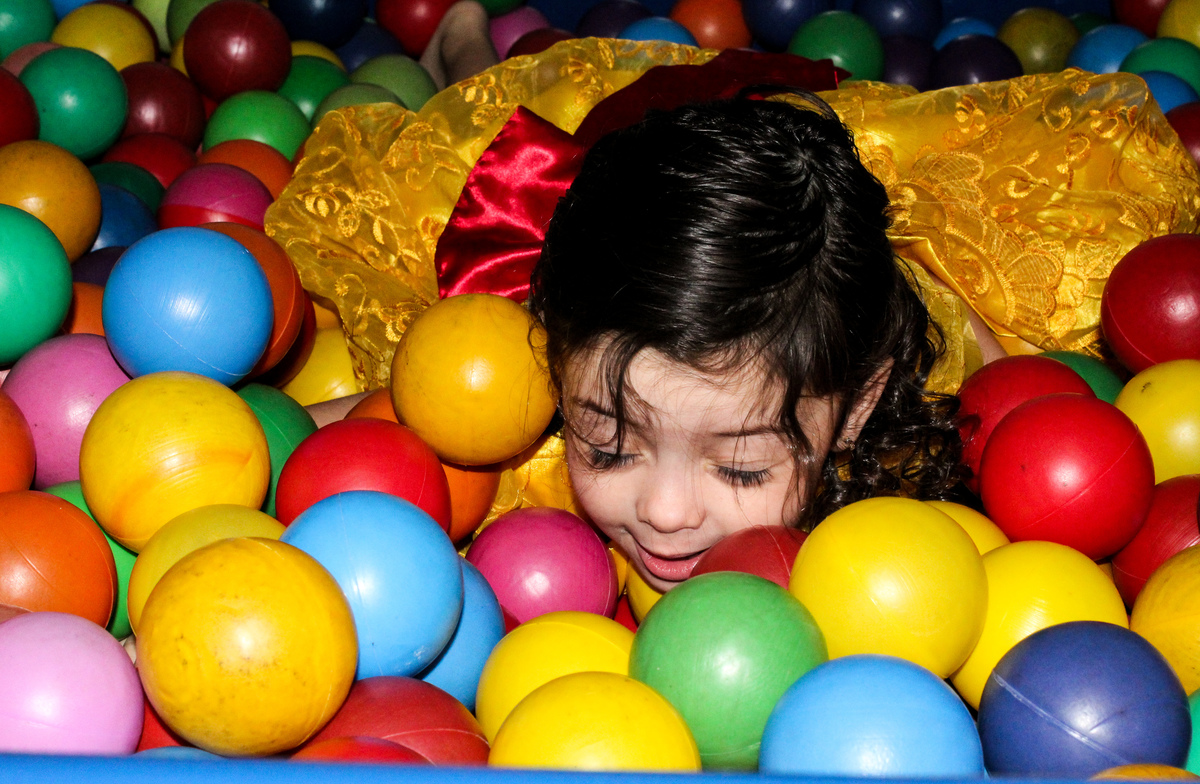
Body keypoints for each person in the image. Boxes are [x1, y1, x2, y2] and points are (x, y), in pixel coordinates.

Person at [270, 7, 1200, 593]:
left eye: (744, 468)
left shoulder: (939, 407)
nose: (666, 510)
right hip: (618, 205)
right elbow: (329, 433)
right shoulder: (526, 410)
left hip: (790, 210)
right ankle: (463, 33)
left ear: (858, 406)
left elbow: (1055, 462)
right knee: (479, 127)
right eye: (610, 443)